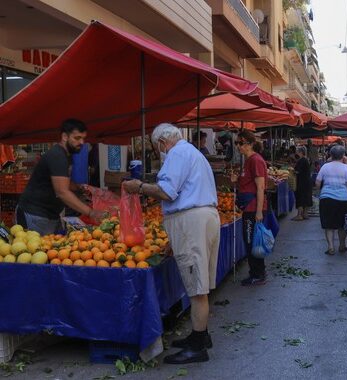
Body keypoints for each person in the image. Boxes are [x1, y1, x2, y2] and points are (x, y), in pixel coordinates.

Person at [122, 123, 220, 364]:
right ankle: (201, 335)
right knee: (200, 281)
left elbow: (167, 192)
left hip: (192, 221)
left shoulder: (176, 153)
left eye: (157, 148)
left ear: (162, 143)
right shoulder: (192, 152)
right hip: (204, 217)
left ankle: (198, 347)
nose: (159, 152)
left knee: (197, 287)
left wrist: (140, 187)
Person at [16, 119, 106, 235]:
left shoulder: (66, 155)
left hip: (50, 214)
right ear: (64, 136)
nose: (82, 142)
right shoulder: (57, 156)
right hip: (35, 214)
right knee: (38, 251)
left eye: (83, 138)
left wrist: (78, 188)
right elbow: (62, 192)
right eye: (77, 138)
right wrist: (90, 212)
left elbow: (63, 181)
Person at [230, 130, 269, 286]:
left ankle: (258, 274)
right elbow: (247, 184)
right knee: (250, 241)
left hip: (254, 209)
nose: (239, 146)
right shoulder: (247, 161)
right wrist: (235, 181)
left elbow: (260, 187)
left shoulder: (255, 160)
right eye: (237, 143)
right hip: (249, 208)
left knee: (252, 241)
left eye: (241, 143)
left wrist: (259, 211)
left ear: (251, 144)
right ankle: (258, 272)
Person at [316, 145, 347, 255]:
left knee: (328, 225)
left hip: (326, 199)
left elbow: (317, 182)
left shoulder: (325, 167)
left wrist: (319, 193)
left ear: (331, 155)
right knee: (342, 224)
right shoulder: (346, 168)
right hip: (343, 199)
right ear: (343, 156)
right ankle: (341, 245)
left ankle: (330, 247)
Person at [292, 146, 313, 221]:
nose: (296, 152)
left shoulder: (302, 160)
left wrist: (292, 171)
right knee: (307, 197)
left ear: (300, 152)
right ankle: (305, 214)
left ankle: (299, 215)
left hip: (302, 182)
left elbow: (298, 171)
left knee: (300, 197)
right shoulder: (306, 159)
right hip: (307, 181)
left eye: (297, 151)